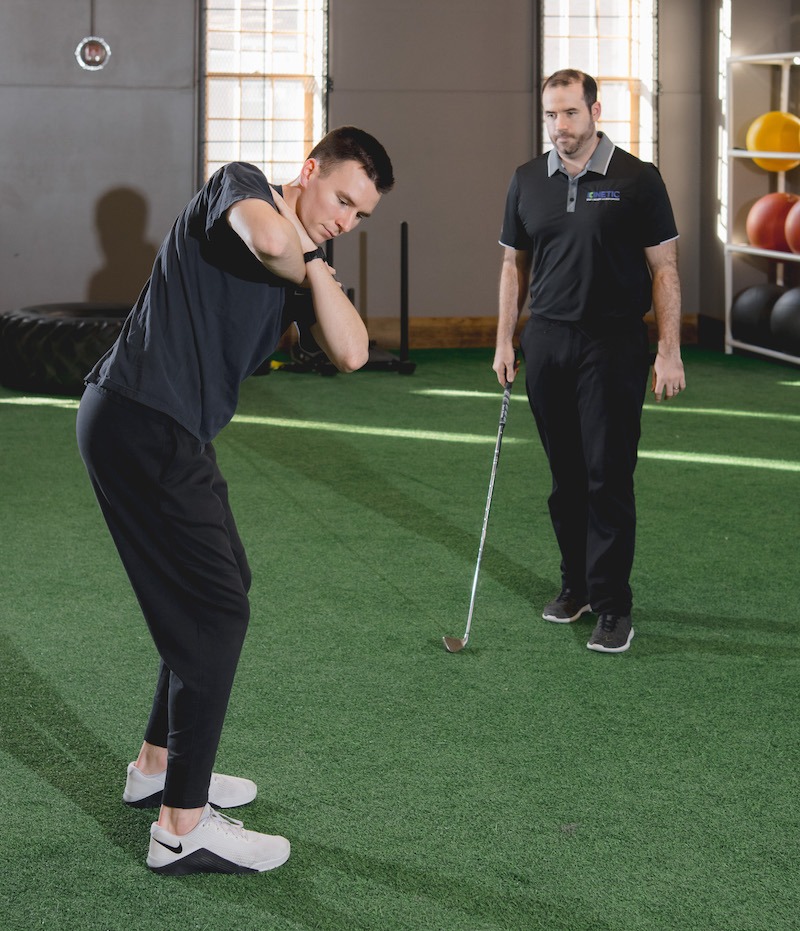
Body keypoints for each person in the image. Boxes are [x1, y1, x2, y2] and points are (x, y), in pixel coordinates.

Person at [76, 127, 394, 874]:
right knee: (216, 608)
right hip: (142, 418)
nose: (345, 221)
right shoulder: (243, 183)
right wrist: (313, 259)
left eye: (361, 216)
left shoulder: (308, 259)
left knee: (222, 589)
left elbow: (353, 351)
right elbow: (262, 235)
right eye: (341, 199)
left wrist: (317, 264)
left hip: (167, 430)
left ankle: (158, 765)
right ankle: (181, 825)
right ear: (308, 171)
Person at [493, 69, 685, 655]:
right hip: (548, 341)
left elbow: (665, 270)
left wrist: (669, 349)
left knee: (607, 476)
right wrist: (505, 339)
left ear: (596, 111)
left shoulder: (637, 178)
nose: (559, 127)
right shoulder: (527, 180)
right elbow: (512, 266)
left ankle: (613, 606)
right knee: (566, 479)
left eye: (570, 114)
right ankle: (575, 587)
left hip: (614, 343)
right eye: (551, 115)